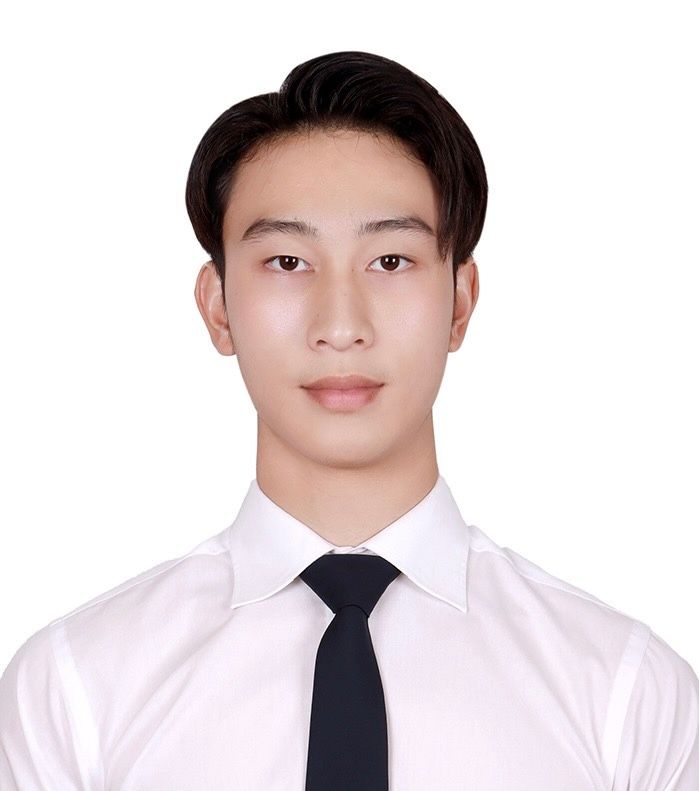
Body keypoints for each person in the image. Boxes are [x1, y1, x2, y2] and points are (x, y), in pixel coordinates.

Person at [1, 50, 697, 790]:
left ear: (460, 302)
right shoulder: (75, 691)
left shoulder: (625, 696)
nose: (340, 326)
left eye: (391, 261)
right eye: (287, 262)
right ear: (217, 306)